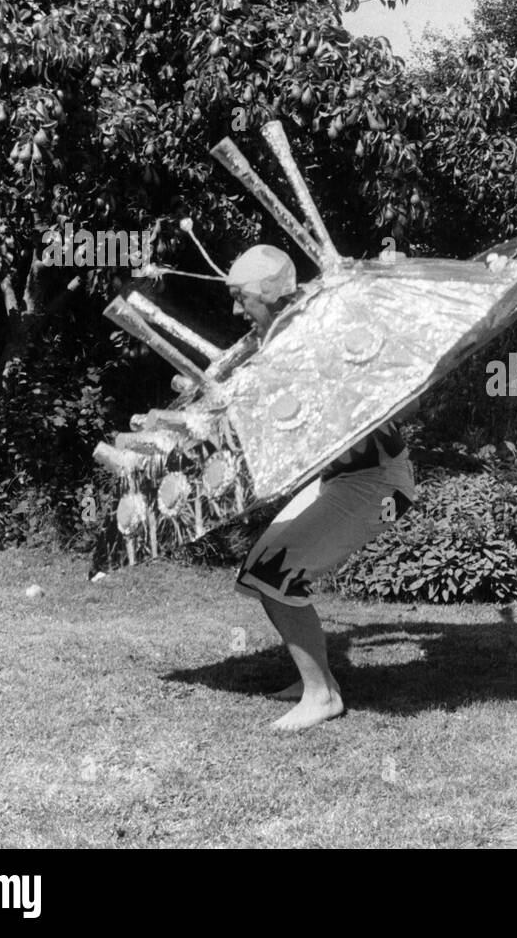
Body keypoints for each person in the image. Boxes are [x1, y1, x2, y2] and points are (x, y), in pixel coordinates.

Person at [225, 245, 416, 729]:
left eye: (239, 297)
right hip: (345, 479)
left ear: (270, 298)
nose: (234, 310)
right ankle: (316, 679)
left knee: (276, 575)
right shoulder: (288, 344)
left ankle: (322, 695)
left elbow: (388, 404)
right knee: (259, 572)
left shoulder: (317, 341)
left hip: (381, 485)